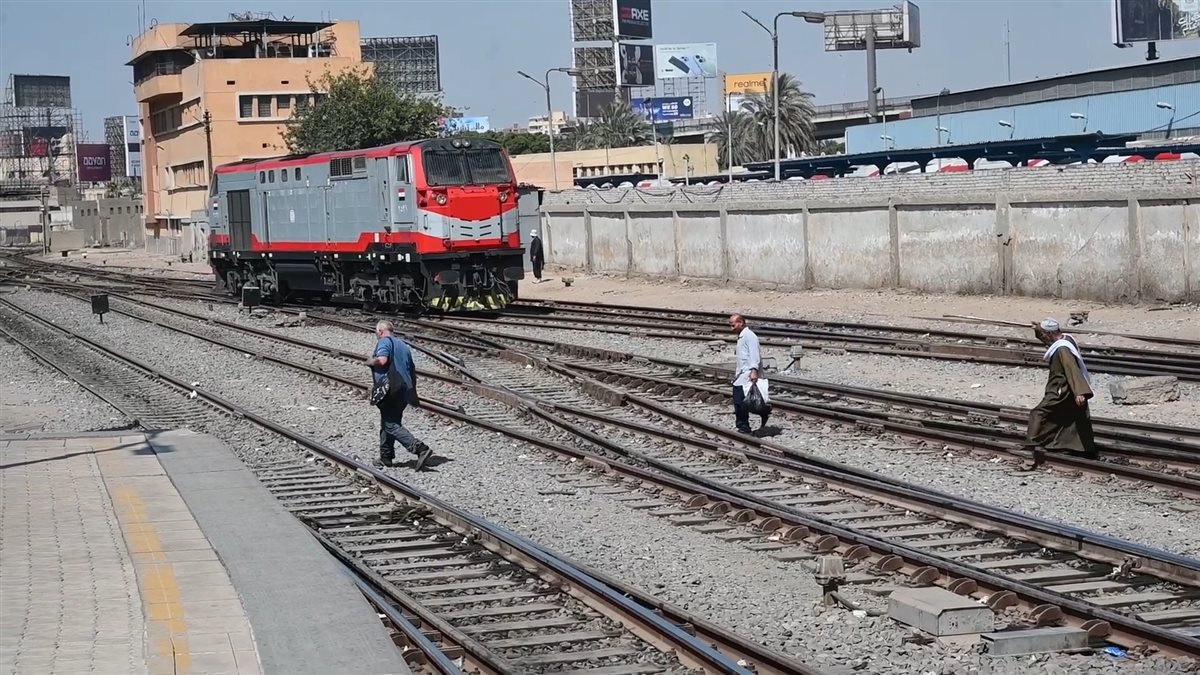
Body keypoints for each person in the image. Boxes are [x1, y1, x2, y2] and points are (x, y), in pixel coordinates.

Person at [1025, 318, 1097, 467]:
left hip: (1061, 389)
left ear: (1050, 333)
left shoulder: (1063, 349)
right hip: (1066, 387)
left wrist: (1079, 392)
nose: (1043, 338)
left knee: (1039, 413)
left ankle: (1032, 443)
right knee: (1072, 416)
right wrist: (1036, 327)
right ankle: (1078, 447)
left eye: (1044, 334)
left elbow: (1072, 369)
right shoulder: (1067, 339)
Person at [367, 320, 433, 470]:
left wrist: (371, 361)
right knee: (389, 422)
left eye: (377, 333)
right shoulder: (403, 346)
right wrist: (413, 392)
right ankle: (386, 457)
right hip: (404, 389)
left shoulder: (384, 341)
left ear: (380, 332)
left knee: (390, 425)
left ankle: (419, 448)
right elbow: (411, 370)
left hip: (390, 388)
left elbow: (382, 360)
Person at [730, 313, 769, 435]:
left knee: (741, 401)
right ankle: (745, 424)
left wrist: (754, 370)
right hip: (741, 374)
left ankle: (744, 426)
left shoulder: (749, 336)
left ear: (741, 323)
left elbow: (754, 354)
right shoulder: (742, 336)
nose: (731, 328)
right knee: (743, 401)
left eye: (733, 325)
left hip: (747, 374)